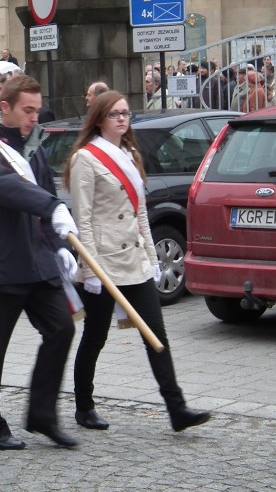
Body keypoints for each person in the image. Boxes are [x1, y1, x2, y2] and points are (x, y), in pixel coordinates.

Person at [63, 90, 212, 434]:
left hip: (133, 259)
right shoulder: (87, 158)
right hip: (103, 261)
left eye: (125, 113)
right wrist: (92, 267)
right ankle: (84, 405)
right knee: (95, 335)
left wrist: (151, 257)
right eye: (114, 114)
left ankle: (177, 409)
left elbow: (140, 212)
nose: (121, 119)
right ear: (99, 119)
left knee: (155, 334)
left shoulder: (129, 153)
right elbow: (82, 218)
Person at [0, 75, 79, 451]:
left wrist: (59, 243)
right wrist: (51, 206)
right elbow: (0, 185)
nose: (35, 117)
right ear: (5, 107)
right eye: (27, 110)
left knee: (62, 329)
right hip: (0, 262)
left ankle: (42, 415)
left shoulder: (34, 146)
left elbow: (45, 192)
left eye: (37, 109)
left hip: (37, 258)